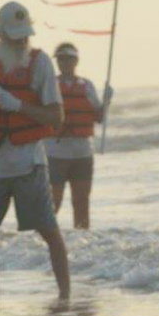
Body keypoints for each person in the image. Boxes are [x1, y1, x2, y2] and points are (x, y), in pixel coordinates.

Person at [0, 2, 70, 298]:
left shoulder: (40, 62)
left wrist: (20, 106)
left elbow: (56, 118)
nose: (21, 41)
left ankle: (65, 296)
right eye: (14, 36)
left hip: (29, 165)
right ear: (0, 33)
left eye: (24, 35)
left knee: (49, 231)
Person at [45, 42, 112, 230]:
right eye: (60, 59)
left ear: (76, 61)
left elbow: (99, 117)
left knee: (82, 202)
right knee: (52, 203)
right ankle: (44, 242)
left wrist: (106, 101)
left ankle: (83, 241)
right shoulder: (50, 85)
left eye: (68, 58)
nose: (64, 62)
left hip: (82, 153)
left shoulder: (87, 85)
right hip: (55, 153)